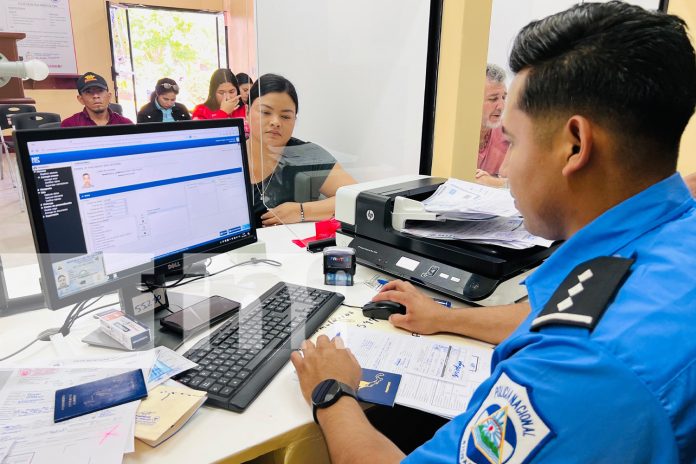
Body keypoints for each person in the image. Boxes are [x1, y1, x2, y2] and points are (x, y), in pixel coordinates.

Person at [291, 2, 696, 462]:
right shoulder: (677, 233)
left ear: (575, 145)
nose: (506, 166)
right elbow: (558, 310)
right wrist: (445, 317)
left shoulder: (578, 371)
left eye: (514, 140)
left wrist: (331, 392)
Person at [246, 73, 356, 227]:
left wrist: (301, 211)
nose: (275, 122)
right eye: (265, 112)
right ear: (247, 112)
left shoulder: (306, 154)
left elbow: (357, 197)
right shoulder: (228, 155)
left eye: (285, 116)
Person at [475, 64, 510, 188]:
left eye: (504, 98)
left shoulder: (509, 133)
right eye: (493, 99)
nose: (501, 106)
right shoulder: (454, 136)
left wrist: (488, 181)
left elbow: (525, 184)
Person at [61, 72, 133, 127]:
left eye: (100, 91)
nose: (96, 96)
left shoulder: (125, 123)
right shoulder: (69, 125)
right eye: (88, 92)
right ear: (81, 99)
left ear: (109, 96)